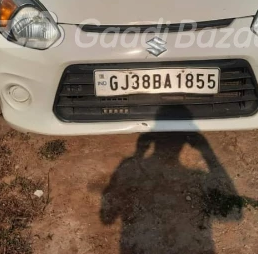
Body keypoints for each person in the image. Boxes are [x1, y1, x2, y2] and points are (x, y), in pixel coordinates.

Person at [100, 106, 244, 254]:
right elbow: (233, 212)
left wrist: (137, 156)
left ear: (153, 138)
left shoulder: (131, 174)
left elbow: (107, 217)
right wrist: (207, 152)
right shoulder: (198, 180)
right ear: (187, 142)